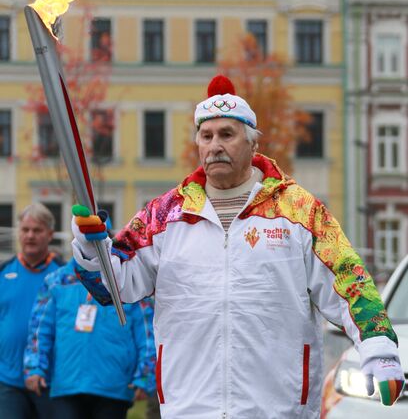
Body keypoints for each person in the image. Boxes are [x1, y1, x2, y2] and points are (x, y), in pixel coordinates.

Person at [71, 75, 405, 418]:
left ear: (252, 144)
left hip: (276, 408)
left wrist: (377, 347)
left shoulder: (299, 211)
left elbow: (350, 280)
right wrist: (91, 248)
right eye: (206, 136)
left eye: (227, 135)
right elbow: (112, 285)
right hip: (191, 407)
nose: (215, 145)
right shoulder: (166, 214)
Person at [24, 257, 156, 419]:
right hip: (67, 384)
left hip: (113, 386)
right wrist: (34, 366)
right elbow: (39, 329)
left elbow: (148, 334)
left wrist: (145, 375)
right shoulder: (56, 281)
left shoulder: (129, 281)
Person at [0, 202, 63, 419]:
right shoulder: (4, 272)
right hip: (8, 380)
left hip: (50, 380)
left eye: (37, 230)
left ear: (50, 234)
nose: (30, 236)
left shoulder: (63, 276)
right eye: (25, 230)